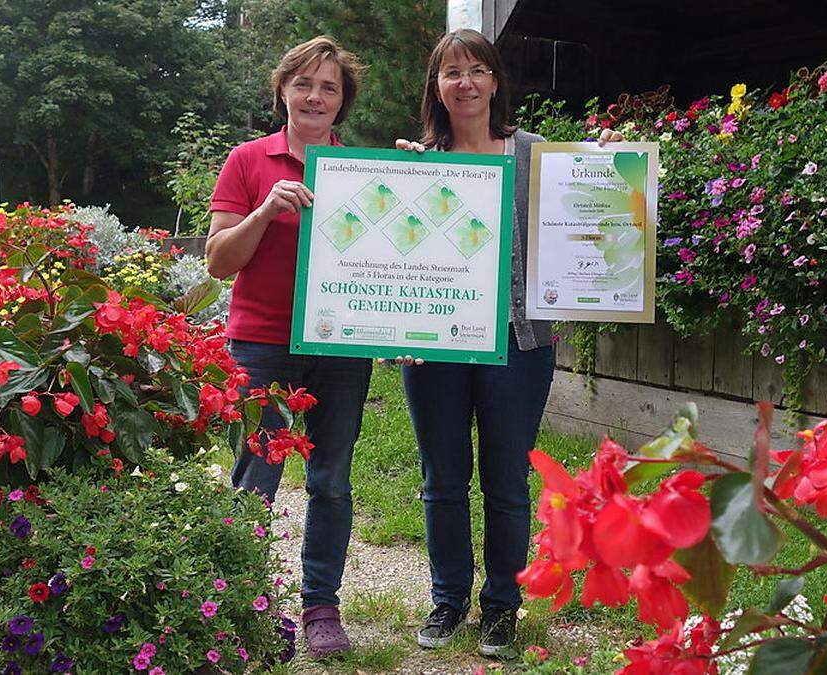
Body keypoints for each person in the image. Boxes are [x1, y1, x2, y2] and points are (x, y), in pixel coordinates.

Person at [394, 29, 621, 657]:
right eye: (450, 73)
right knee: (442, 478)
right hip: (436, 343)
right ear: (435, 89)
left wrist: (603, 165)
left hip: (520, 344)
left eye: (475, 70)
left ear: (495, 80)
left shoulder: (540, 156)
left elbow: (596, 210)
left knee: (506, 479)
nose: (464, 83)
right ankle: (447, 600)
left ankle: (501, 608)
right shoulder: (418, 162)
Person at [205, 35, 369, 658]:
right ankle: (242, 597)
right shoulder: (247, 161)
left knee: (330, 480)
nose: (315, 96)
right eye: (304, 83)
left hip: (341, 347)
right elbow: (220, 263)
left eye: (329, 87)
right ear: (282, 91)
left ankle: (320, 606)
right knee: (257, 474)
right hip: (262, 342)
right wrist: (264, 213)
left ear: (341, 101)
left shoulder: (362, 173)